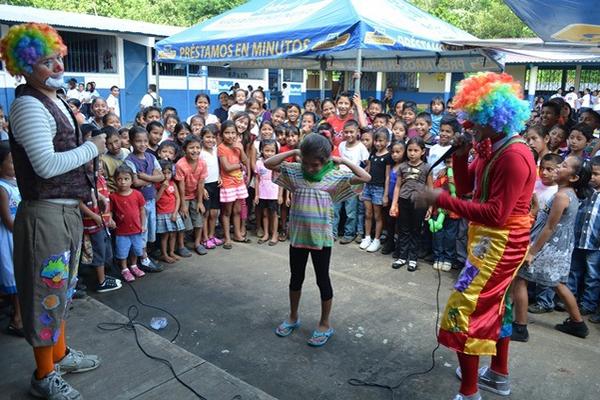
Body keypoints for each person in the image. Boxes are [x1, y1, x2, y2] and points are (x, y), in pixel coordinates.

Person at [416, 72, 535, 400]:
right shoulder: (490, 146)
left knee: (463, 307)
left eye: (474, 121)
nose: (468, 127)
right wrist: (458, 154)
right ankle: (498, 375)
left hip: (501, 242)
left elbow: (497, 213)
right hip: (487, 238)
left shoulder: (513, 155)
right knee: (498, 306)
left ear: (493, 117)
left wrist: (439, 199)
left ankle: (469, 392)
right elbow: (468, 189)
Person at [1, 23, 105, 398]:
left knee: (62, 288)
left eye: (59, 57)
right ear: (25, 66)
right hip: (44, 216)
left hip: (63, 213)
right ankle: (43, 376)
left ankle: (58, 355)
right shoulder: (28, 104)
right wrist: (94, 147)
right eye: (47, 61)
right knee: (46, 292)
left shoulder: (54, 98)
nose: (59, 66)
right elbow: (45, 166)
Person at [266, 133, 370, 346]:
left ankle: (325, 323)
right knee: (296, 278)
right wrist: (295, 151)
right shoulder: (295, 172)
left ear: (325, 161)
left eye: (314, 164)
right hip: (298, 237)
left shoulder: (334, 176)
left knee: (323, 280)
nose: (309, 168)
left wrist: (344, 161)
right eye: (305, 162)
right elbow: (269, 163)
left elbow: (365, 178)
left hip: (321, 239)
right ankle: (293, 317)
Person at [512, 156, 591, 341]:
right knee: (557, 283)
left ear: (573, 178)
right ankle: (578, 324)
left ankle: (520, 327)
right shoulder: (568, 193)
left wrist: (532, 252)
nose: (557, 168)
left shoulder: (561, 196)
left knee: (520, 279)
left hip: (549, 246)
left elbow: (549, 227)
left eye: (563, 166)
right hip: (559, 247)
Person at [389, 137, 432, 271]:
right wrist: (394, 204)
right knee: (403, 229)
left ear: (422, 151)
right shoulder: (402, 167)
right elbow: (397, 187)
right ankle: (402, 256)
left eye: (416, 150)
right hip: (404, 200)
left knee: (416, 230)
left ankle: (413, 258)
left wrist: (430, 207)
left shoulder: (427, 168)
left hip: (419, 203)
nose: (412, 153)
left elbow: (430, 188)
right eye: (410, 150)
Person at [125, 127, 164, 273]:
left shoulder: (151, 157)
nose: (142, 144)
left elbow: (160, 176)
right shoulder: (129, 160)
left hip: (150, 199)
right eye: (138, 141)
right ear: (131, 142)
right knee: (140, 230)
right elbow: (134, 183)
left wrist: (146, 178)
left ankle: (143, 256)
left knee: (148, 230)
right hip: (137, 203)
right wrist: (152, 179)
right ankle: (142, 259)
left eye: (145, 141)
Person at [79, 159, 121, 293]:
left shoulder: (100, 178)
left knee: (105, 251)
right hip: (93, 224)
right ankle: (101, 282)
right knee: (99, 252)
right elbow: (79, 203)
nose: (98, 166)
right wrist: (94, 216)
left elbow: (105, 200)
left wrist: (110, 218)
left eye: (99, 162)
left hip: (103, 223)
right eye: (92, 163)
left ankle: (103, 276)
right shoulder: (84, 182)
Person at [568, 156, 600, 320]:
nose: (593, 178)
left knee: (592, 276)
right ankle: (569, 299)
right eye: (591, 174)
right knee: (573, 271)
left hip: (595, 244)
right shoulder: (585, 192)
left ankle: (588, 304)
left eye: (596, 174)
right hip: (578, 240)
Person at [333, 120, 369, 244]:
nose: (348, 135)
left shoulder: (361, 147)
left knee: (351, 209)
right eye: (346, 132)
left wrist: (362, 182)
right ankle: (333, 232)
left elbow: (367, 165)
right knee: (335, 207)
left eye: (351, 132)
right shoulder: (342, 145)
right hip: (339, 179)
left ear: (357, 132)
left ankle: (349, 233)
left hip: (354, 180)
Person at [0, 141, 23, 336]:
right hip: (10, 238)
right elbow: (8, 220)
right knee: (16, 278)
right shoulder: (2, 188)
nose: (16, 163)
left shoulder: (18, 181)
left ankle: (21, 316)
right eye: (11, 161)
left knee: (23, 277)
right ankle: (17, 320)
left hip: (20, 235)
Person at [109, 165, 147, 282]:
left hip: (136, 229)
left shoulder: (137, 194)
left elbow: (142, 210)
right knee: (122, 251)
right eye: (119, 179)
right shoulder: (113, 197)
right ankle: (124, 269)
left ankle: (134, 266)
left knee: (136, 249)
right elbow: (110, 211)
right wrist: (111, 220)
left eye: (126, 179)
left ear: (132, 180)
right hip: (122, 231)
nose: (123, 182)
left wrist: (143, 224)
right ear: (115, 180)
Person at [218, 121, 250, 249]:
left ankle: (237, 234)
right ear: (221, 134)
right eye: (227, 133)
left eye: (233, 133)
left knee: (237, 210)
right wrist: (240, 166)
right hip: (228, 183)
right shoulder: (221, 148)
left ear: (237, 134)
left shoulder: (238, 146)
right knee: (227, 211)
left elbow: (245, 160)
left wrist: (241, 149)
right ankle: (227, 238)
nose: (230, 136)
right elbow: (226, 167)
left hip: (239, 182)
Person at [359, 128, 391, 253]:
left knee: (378, 216)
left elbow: (388, 177)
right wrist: (362, 187)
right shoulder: (372, 154)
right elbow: (367, 170)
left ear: (387, 141)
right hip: (368, 186)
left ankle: (376, 239)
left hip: (379, 188)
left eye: (381, 141)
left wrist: (385, 195)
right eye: (376, 141)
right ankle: (367, 237)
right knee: (368, 214)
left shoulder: (388, 156)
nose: (378, 143)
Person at [175, 135, 208, 256]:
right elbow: (181, 186)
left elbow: (201, 183)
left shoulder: (202, 163)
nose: (195, 150)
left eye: (198, 147)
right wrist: (183, 204)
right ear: (185, 149)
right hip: (183, 197)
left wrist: (199, 202)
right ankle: (181, 246)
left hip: (195, 196)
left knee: (198, 221)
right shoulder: (180, 164)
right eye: (191, 148)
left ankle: (197, 243)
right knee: (184, 224)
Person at [155, 159, 184, 263]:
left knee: (173, 234)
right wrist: (162, 188)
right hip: (162, 213)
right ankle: (164, 254)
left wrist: (176, 212)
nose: (167, 175)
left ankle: (171, 252)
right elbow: (156, 199)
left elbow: (178, 198)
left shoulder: (173, 183)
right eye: (164, 173)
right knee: (165, 235)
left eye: (169, 173)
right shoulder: (157, 185)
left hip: (173, 212)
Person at [199, 125, 222, 250]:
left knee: (214, 213)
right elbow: (198, 172)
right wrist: (201, 189)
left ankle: (212, 235)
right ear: (202, 138)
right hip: (205, 186)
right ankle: (205, 238)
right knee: (205, 213)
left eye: (213, 137)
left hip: (216, 184)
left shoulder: (215, 150)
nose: (211, 140)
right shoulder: (200, 153)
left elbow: (217, 165)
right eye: (208, 137)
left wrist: (219, 176)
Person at [254, 139, 280, 245]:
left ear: (276, 152)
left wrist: (280, 195)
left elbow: (280, 179)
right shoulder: (259, 162)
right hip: (262, 192)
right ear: (261, 150)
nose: (269, 153)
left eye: (272, 151)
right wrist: (256, 194)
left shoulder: (277, 163)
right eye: (266, 150)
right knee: (264, 214)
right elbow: (257, 179)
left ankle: (274, 234)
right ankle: (266, 234)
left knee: (274, 214)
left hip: (273, 192)